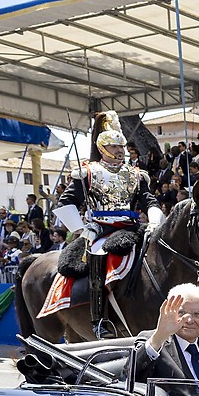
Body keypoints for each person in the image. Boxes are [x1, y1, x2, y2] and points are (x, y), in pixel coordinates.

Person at [53, 110, 165, 339]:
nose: (119, 151)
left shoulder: (135, 174)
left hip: (132, 225)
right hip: (101, 227)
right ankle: (99, 319)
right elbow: (66, 203)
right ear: (103, 148)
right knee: (98, 253)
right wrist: (80, 228)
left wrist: (154, 220)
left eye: (121, 147)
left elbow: (150, 200)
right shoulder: (88, 173)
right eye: (114, 147)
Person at [133, 284, 199, 396]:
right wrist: (160, 335)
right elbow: (130, 376)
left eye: (197, 314)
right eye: (181, 313)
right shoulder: (155, 341)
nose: (189, 320)